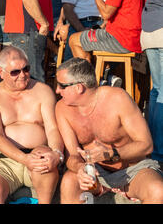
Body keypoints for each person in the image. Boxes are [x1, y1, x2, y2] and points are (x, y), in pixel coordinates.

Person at [55, 58, 163, 203]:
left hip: (132, 170)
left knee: (158, 190)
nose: (57, 90)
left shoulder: (117, 98)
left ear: (78, 87)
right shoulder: (62, 108)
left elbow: (146, 145)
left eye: (62, 86)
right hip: (95, 172)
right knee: (69, 181)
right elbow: (72, 155)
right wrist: (80, 168)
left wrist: (111, 153)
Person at [0, 46, 64, 204]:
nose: (23, 75)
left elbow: (53, 128)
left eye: (26, 69)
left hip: (38, 152)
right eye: (15, 72)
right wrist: (24, 159)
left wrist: (57, 154)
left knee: (44, 161)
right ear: (1, 72)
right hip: (2, 159)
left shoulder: (43, 91)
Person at [4, 0, 53, 83]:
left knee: (31, 77)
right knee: (33, 79)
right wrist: (44, 24)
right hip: (29, 28)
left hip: (30, 28)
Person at [140, 0, 163, 163]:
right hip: (161, 29)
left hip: (150, 29)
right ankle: (159, 152)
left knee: (157, 91)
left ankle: (154, 148)